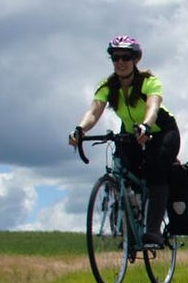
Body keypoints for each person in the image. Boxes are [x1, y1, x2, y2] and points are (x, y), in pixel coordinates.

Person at [68, 35, 181, 247]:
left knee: (156, 172)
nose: (120, 62)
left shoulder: (149, 82)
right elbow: (94, 111)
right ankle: (130, 227)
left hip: (161, 131)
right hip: (130, 134)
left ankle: (154, 232)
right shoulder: (108, 86)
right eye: (115, 57)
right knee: (125, 174)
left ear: (135, 59)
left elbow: (153, 107)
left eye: (125, 57)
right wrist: (80, 129)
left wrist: (146, 125)